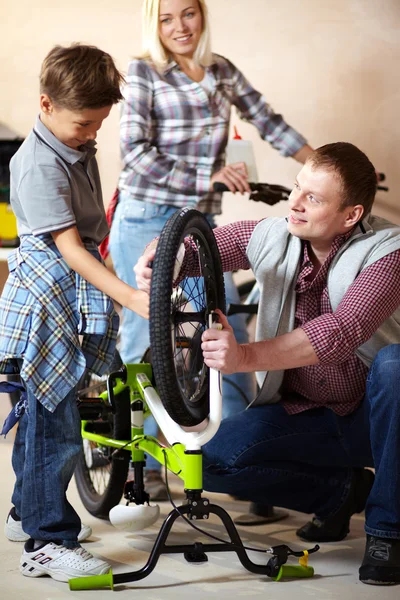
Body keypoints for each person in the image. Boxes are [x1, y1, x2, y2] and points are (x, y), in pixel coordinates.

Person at [135, 142, 400, 585]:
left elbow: (342, 331)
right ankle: (339, 493)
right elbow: (200, 245)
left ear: (351, 215)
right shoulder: (274, 234)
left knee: (395, 366)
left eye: (313, 198)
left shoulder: (388, 252)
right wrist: (162, 258)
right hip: (307, 415)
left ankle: (387, 530)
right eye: (298, 188)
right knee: (206, 459)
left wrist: (243, 357)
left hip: (376, 422)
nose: (294, 203)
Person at [107, 0, 313, 500]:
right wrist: (209, 175)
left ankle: (247, 462)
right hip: (146, 215)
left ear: (202, 16)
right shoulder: (142, 73)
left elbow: (268, 119)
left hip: (196, 224)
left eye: (188, 13)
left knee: (224, 332)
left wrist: (323, 165)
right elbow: (134, 153)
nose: (179, 26)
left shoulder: (220, 72)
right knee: (146, 338)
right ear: (152, 24)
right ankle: (142, 464)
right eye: (166, 17)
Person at [0, 43, 149, 583]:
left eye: (99, 123)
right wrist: (129, 297)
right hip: (48, 299)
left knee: (47, 413)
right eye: (84, 123)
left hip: (67, 289)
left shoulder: (74, 146)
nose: (92, 133)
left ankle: (26, 512)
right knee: (54, 423)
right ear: (45, 104)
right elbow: (71, 249)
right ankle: (47, 540)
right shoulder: (38, 162)